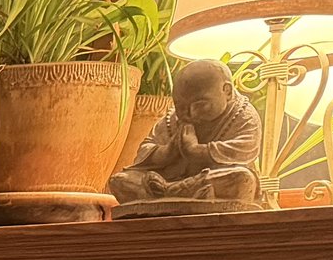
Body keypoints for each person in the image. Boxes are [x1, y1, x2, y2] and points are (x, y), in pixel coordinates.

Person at [109, 57, 262, 208]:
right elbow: (144, 150)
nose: (191, 114)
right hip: (170, 180)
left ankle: (171, 195)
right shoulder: (172, 118)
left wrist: (196, 151)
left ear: (227, 91)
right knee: (119, 180)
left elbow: (246, 149)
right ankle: (176, 193)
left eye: (200, 104)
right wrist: (168, 151)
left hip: (207, 179)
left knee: (242, 178)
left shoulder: (243, 114)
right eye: (181, 106)